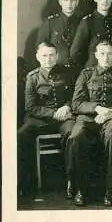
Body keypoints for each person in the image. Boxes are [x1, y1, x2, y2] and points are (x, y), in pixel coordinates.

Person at [68, 40, 112, 207]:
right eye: (102, 53)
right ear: (96, 55)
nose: (106, 57)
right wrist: (97, 108)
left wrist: (110, 112)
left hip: (111, 118)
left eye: (110, 53)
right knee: (76, 137)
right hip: (87, 118)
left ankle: (110, 190)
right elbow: (76, 103)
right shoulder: (86, 74)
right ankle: (81, 190)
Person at [17, 42, 76, 198]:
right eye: (44, 55)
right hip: (39, 119)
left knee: (73, 134)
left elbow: (76, 97)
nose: (48, 59)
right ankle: (25, 183)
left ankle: (72, 182)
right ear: (37, 57)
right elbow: (30, 107)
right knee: (21, 135)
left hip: (64, 117)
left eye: (51, 55)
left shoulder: (68, 73)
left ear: (57, 56)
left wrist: (67, 106)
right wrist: (53, 113)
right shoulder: (32, 77)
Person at [70, 0, 112, 68]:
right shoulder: (87, 21)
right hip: (94, 69)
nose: (105, 0)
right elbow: (75, 52)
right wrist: (89, 65)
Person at [37, 0, 81, 70]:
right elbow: (41, 46)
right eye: (66, 0)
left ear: (77, 2)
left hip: (77, 69)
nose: (69, 3)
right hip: (56, 69)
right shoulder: (50, 22)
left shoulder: (82, 23)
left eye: (72, 0)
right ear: (60, 2)